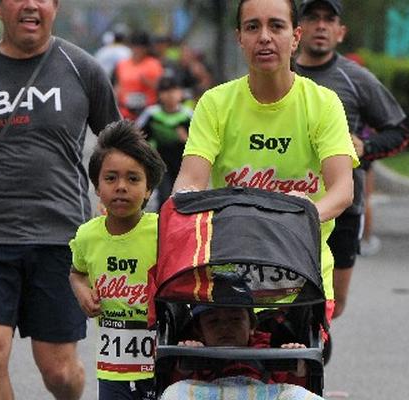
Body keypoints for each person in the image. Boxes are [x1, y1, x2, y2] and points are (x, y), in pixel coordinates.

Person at [0, 0, 120, 398]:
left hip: (61, 238)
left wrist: (113, 196)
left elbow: (117, 142)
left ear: (55, 7)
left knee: (60, 373)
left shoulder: (83, 69)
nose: (30, 5)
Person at [172, 0, 359, 324]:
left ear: (295, 37)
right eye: (253, 27)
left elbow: (342, 189)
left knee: (294, 371)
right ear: (239, 38)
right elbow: (190, 182)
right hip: (227, 277)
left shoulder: (323, 104)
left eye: (276, 26)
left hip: (302, 277)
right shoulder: (215, 104)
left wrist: (305, 212)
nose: (264, 37)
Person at [294, 0, 408, 318]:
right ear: (297, 30)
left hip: (343, 206)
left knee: (334, 304)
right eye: (312, 18)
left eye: (329, 20)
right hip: (286, 202)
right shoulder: (279, 74)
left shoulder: (357, 79)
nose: (320, 26)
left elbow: (398, 132)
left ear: (340, 32)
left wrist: (365, 147)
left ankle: (315, 342)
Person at [69, 120, 166, 400]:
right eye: (111, 178)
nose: (121, 187)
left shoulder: (163, 232)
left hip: (162, 364)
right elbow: (76, 272)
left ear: (149, 189)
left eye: (133, 179)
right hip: (112, 368)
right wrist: (82, 292)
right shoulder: (87, 235)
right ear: (97, 187)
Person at [175, 273, 308, 385]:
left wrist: (299, 370)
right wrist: (182, 369)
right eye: (213, 321)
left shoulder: (272, 355)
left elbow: (294, 392)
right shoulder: (193, 359)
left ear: (252, 326)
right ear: (200, 331)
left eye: (235, 319)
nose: (225, 327)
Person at [136, 76, 192, 209]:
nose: (170, 95)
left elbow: (202, 141)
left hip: (183, 166)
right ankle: (162, 225)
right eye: (166, 91)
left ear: (180, 93)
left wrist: (187, 139)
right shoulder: (152, 115)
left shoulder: (188, 116)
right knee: (164, 197)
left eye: (174, 90)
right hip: (161, 164)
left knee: (182, 198)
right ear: (160, 94)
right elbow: (137, 136)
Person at [112, 31, 164, 120]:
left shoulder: (154, 64)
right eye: (135, 47)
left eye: (141, 48)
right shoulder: (122, 64)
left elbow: (162, 87)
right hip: (125, 111)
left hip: (146, 112)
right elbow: (118, 85)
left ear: (146, 49)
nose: (137, 50)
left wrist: (148, 82)